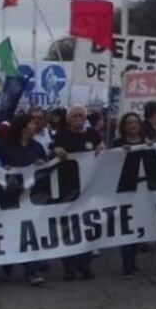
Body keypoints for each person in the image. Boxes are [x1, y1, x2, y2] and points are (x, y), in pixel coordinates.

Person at [0, 114, 48, 286]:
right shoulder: (4, 147)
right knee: (10, 232)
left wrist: (42, 164)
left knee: (29, 233)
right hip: (10, 197)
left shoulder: (37, 147)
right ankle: (8, 262)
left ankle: (31, 270)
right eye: (32, 122)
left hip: (30, 198)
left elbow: (45, 167)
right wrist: (2, 167)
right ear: (23, 127)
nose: (36, 125)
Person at [50, 105, 103, 281]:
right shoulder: (61, 136)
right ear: (68, 119)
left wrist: (102, 148)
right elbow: (52, 153)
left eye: (82, 115)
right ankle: (69, 267)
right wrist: (56, 151)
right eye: (75, 115)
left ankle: (85, 264)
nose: (79, 118)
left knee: (90, 226)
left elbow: (103, 149)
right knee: (70, 228)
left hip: (90, 188)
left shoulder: (92, 135)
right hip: (68, 188)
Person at [112, 113, 148, 278]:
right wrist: (118, 152)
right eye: (129, 123)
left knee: (138, 226)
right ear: (124, 126)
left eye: (135, 122)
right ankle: (126, 264)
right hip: (123, 189)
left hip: (142, 189)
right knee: (125, 227)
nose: (133, 125)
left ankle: (133, 259)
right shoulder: (117, 144)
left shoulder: (145, 142)